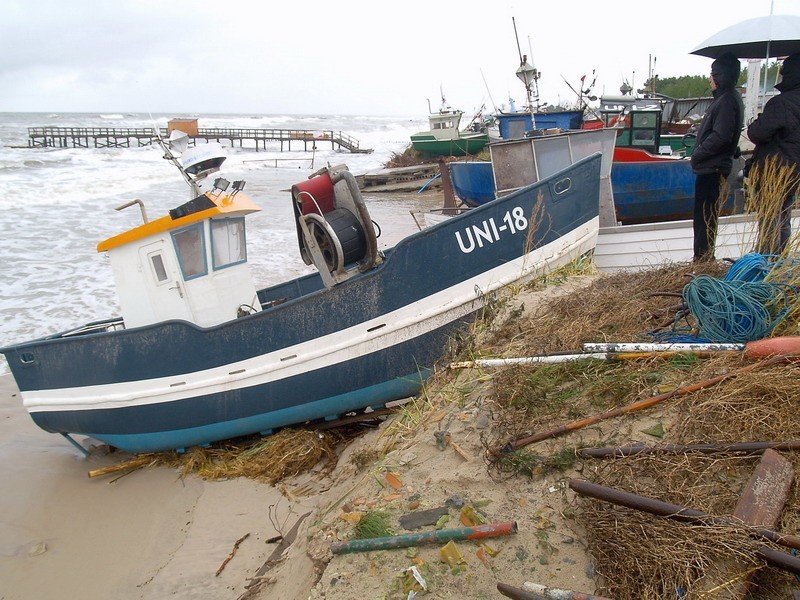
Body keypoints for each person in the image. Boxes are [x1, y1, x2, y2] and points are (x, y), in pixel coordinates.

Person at [690, 52, 744, 261]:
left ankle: (703, 259)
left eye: (713, 74)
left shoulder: (727, 100)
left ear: (720, 76)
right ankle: (703, 257)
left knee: (705, 217)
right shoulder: (727, 99)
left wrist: (698, 154)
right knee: (705, 216)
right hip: (712, 165)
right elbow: (728, 135)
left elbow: (721, 136)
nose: (709, 78)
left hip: (711, 167)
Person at [746, 52, 800, 255]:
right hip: (794, 170)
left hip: (774, 170)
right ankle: (780, 261)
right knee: (784, 218)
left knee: (769, 219)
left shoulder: (781, 103)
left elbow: (757, 133)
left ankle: (765, 262)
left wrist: (756, 121)